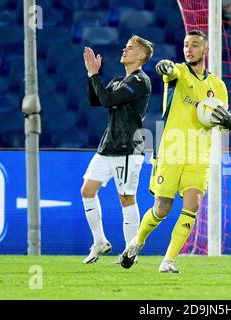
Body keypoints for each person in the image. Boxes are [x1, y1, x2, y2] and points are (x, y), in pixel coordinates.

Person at [119, 29, 231, 273]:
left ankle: (168, 261)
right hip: (171, 149)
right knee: (162, 209)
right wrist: (164, 66)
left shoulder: (218, 86)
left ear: (206, 50)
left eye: (194, 45)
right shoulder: (179, 73)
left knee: (192, 205)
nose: (189, 49)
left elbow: (222, 121)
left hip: (200, 154)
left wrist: (227, 124)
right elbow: (168, 70)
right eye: (185, 45)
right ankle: (136, 243)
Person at [81, 35, 154, 264]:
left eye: (130, 48)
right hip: (108, 145)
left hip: (127, 148)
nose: (124, 50)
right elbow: (96, 100)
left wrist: (95, 75)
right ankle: (100, 240)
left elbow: (107, 100)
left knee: (126, 198)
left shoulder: (140, 81)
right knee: (87, 190)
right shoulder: (117, 81)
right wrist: (91, 74)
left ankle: (130, 252)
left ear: (141, 56)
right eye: (125, 46)